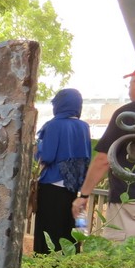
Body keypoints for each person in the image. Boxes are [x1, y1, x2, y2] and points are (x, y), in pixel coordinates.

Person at [72, 67, 135, 241]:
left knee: (123, 259)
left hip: (129, 201)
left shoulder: (126, 115)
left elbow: (103, 159)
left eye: (130, 83)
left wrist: (84, 195)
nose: (129, 88)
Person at [33, 88, 91, 253]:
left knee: (48, 233)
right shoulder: (83, 127)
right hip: (73, 189)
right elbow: (86, 158)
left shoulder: (54, 125)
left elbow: (48, 156)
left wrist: (37, 148)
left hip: (51, 187)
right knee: (68, 231)